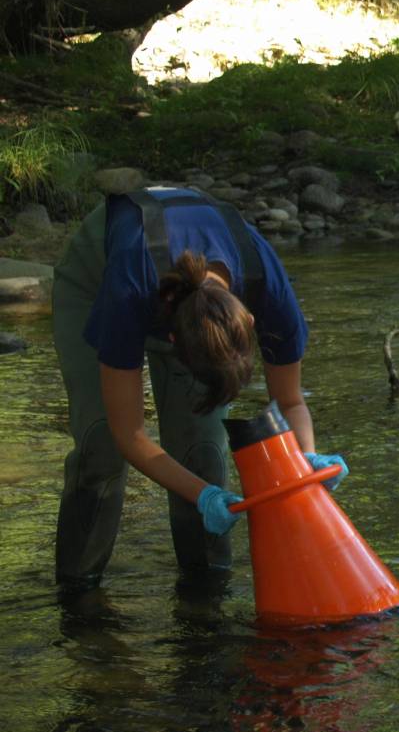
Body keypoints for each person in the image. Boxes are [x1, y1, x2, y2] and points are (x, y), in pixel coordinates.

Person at [51, 186, 347, 591]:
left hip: (187, 307)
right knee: (101, 444)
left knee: (203, 456)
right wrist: (202, 496)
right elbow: (129, 435)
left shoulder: (270, 291)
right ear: (173, 344)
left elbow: (291, 400)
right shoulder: (127, 291)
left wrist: (307, 460)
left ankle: (206, 598)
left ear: (252, 323)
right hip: (95, 276)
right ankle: (77, 592)